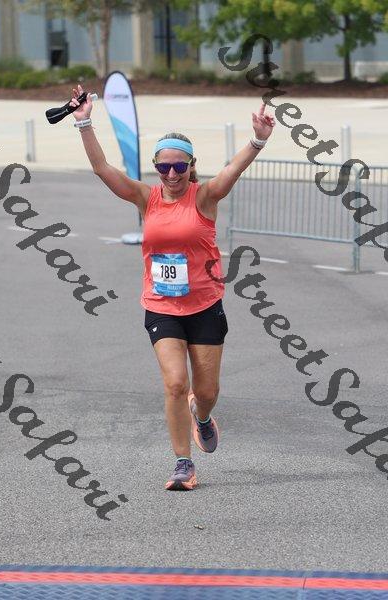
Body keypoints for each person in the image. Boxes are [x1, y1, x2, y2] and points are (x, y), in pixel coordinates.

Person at [69, 83, 275, 491]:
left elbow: (232, 170)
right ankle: (183, 463)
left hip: (205, 305)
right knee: (175, 383)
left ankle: (203, 416)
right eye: (164, 168)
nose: (172, 175)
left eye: (179, 166)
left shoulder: (205, 197)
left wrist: (257, 140)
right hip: (161, 306)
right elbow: (103, 169)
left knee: (206, 391)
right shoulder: (145, 198)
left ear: (191, 165)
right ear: (156, 169)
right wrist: (84, 123)